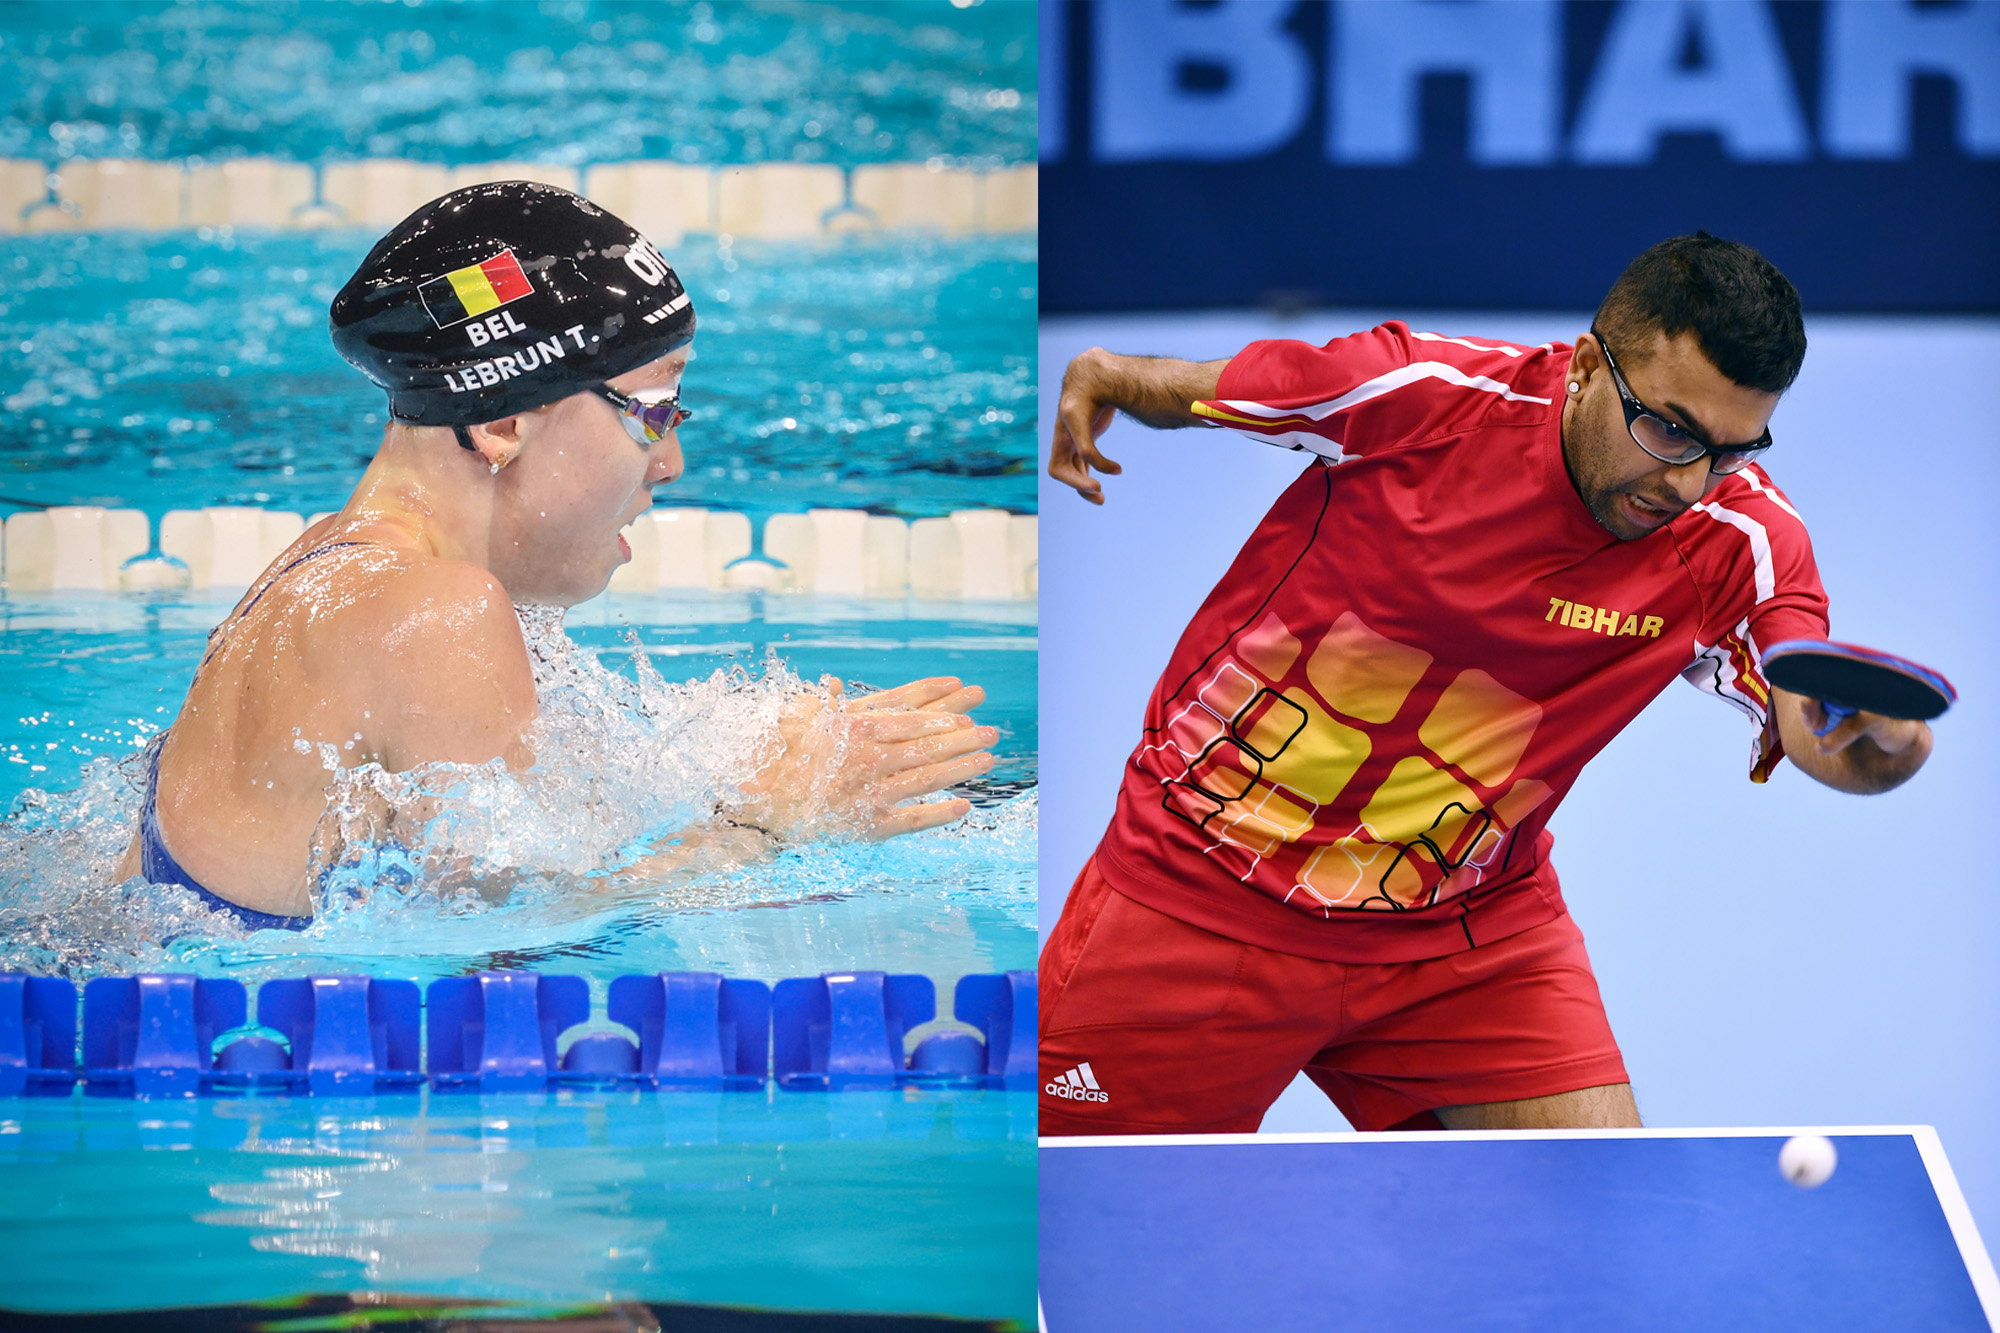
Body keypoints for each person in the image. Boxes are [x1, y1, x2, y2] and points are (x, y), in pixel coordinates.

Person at [1038, 232, 1931, 1134]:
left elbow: (1816, 721)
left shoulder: (1742, 542)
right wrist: (1108, 372)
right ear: (1587, 366)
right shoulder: (1422, 396)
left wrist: (1885, 745)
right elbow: (1218, 387)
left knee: (1587, 1243)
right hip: (1198, 889)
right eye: (1668, 428)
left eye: (1729, 450)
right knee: (1080, 1232)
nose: (1687, 479)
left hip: (1461, 938)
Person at [116, 181, 997, 930]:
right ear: (500, 424)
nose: (672, 460)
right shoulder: (440, 613)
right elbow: (515, 936)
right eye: (654, 407)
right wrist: (769, 823)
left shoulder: (319, 567)